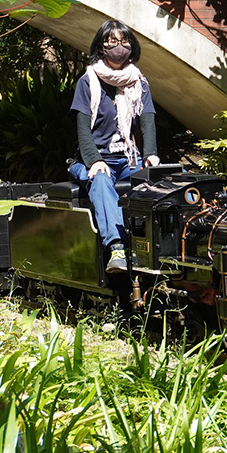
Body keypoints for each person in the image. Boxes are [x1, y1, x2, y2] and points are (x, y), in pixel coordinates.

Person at [69, 20, 160, 273]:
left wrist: (151, 154)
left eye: (124, 41)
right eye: (111, 41)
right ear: (100, 46)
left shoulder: (138, 82)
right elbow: (83, 129)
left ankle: (157, 243)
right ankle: (116, 247)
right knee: (100, 179)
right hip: (92, 160)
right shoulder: (87, 83)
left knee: (161, 181)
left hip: (128, 159)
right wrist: (94, 160)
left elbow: (147, 120)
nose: (118, 47)